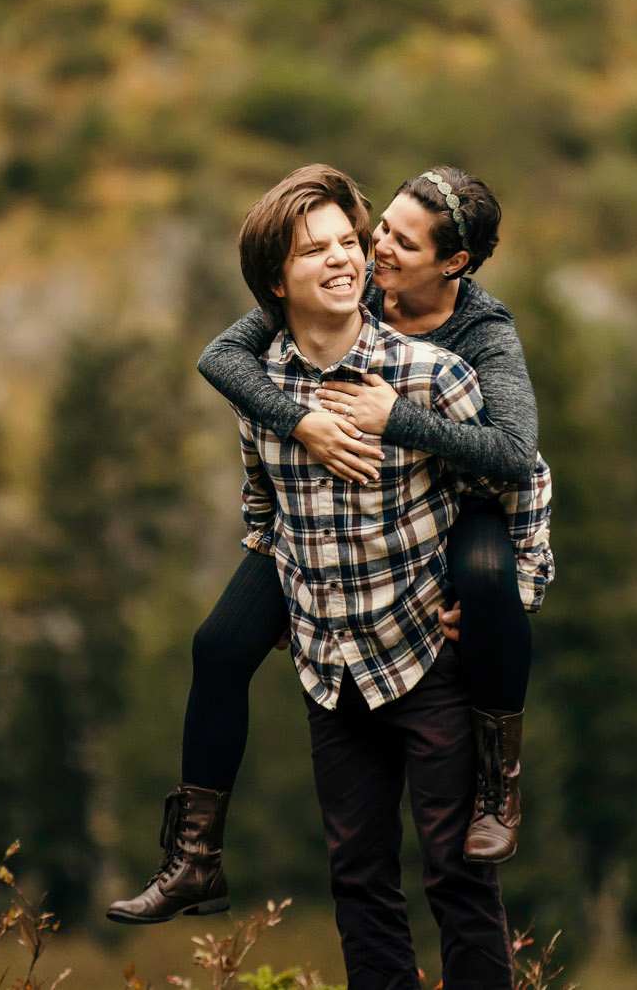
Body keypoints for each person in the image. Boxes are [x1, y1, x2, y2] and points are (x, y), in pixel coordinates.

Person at [116, 164, 546, 988]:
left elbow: (521, 467)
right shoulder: (264, 376)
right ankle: (193, 852)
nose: (365, 253)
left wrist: (506, 587)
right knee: (356, 879)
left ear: (451, 263)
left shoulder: (447, 362)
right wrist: (299, 446)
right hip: (331, 666)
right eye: (351, 238)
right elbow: (259, 486)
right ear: (280, 280)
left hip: (426, 645)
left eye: (370, 241)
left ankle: (502, 779)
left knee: (457, 872)